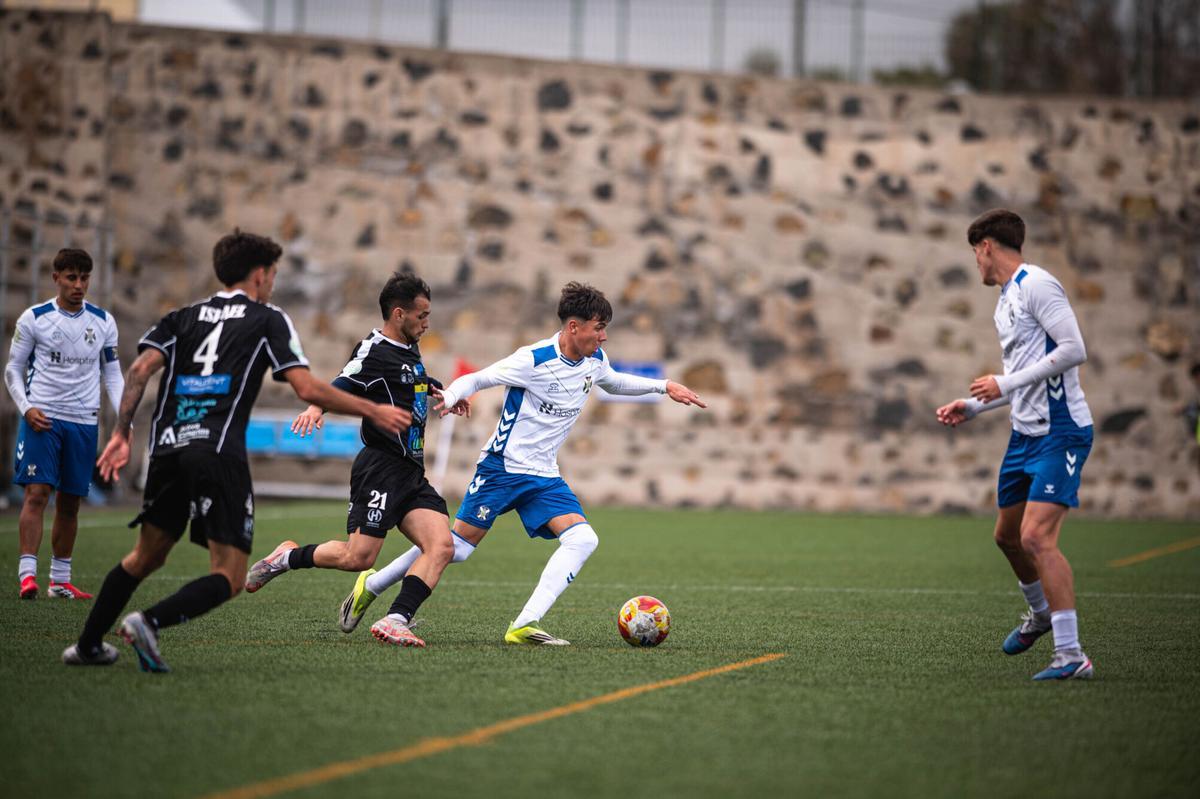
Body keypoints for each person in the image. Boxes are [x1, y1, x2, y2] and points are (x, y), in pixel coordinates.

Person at [62, 230, 410, 671]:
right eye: (274, 274)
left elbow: (140, 368)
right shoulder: (267, 318)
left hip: (167, 448)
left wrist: (121, 431)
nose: (273, 282)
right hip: (216, 451)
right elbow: (305, 385)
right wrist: (372, 410)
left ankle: (88, 646)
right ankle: (147, 622)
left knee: (144, 556)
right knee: (228, 576)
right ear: (260, 275)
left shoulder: (182, 317)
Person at [341, 281, 706, 646]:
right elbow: (479, 378)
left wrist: (664, 386)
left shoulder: (595, 360)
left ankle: (524, 624)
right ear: (573, 327)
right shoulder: (533, 359)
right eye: (599, 327)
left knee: (583, 539)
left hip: (544, 476)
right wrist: (451, 395)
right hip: (502, 469)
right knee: (458, 548)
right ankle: (372, 584)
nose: (604, 336)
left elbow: (613, 383)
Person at [243, 273, 460, 648]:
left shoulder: (409, 348)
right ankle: (286, 557)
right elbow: (343, 382)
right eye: (422, 316)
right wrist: (315, 408)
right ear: (398, 314)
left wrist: (441, 390)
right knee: (357, 557)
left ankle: (396, 619)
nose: (427, 323)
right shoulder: (373, 349)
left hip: (410, 471)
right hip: (380, 468)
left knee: (441, 545)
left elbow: (406, 381)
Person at [936, 208, 1095, 681]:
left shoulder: (1037, 285)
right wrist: (975, 405)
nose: (976, 265)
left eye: (975, 254)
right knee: (1006, 537)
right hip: (1024, 436)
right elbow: (1022, 381)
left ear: (986, 246)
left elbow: (1074, 349)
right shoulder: (1005, 300)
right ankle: (1042, 614)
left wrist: (1003, 384)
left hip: (1061, 431)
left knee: (1035, 538)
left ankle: (1071, 655)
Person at [4, 248, 123, 600]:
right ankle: (28, 575)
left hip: (83, 423)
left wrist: (124, 418)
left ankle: (60, 581)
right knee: (37, 493)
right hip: (43, 419)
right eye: (71, 277)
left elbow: (113, 375)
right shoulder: (34, 318)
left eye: (84, 278)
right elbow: (13, 369)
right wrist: (26, 408)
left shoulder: (103, 321)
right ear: (56, 278)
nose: (79, 285)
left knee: (71, 502)